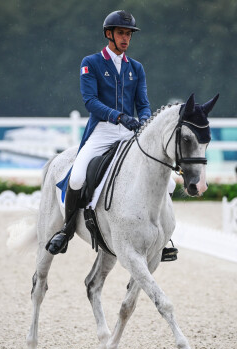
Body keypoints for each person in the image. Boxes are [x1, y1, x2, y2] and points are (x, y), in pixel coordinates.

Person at [47, 10, 179, 262]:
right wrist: (118, 117)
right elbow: (90, 101)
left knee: (169, 182)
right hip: (102, 131)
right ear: (109, 34)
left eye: (128, 34)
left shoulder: (136, 68)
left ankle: (162, 238)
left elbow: (143, 103)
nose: (125, 38)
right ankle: (66, 230)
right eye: (121, 33)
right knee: (76, 178)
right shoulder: (91, 62)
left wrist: (145, 123)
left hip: (130, 132)